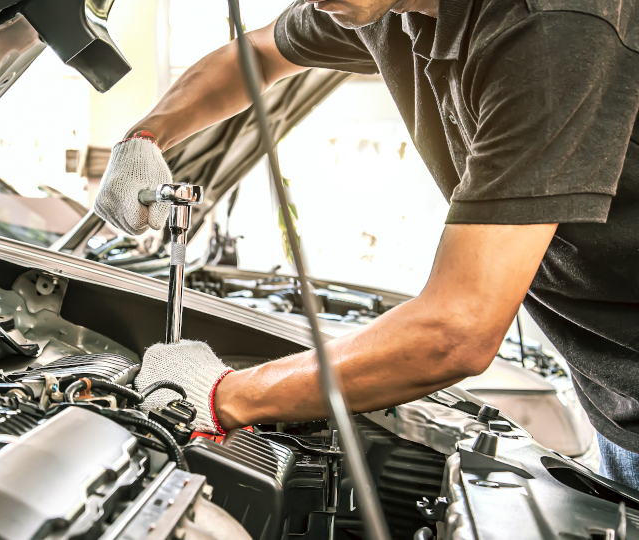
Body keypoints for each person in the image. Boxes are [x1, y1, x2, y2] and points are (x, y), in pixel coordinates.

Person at [94, 0, 639, 488]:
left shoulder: (554, 29)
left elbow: (458, 329)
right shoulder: (377, 8)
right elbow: (256, 53)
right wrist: (146, 136)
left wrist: (225, 395)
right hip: (610, 393)